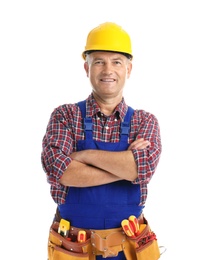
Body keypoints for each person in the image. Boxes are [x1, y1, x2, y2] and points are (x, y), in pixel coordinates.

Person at [41, 22, 162, 260]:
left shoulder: (144, 121)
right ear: (86, 67)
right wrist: (127, 168)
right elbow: (60, 171)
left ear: (129, 68)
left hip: (129, 250)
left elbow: (142, 168)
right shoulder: (65, 115)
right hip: (73, 248)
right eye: (99, 61)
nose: (108, 70)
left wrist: (83, 156)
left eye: (116, 61)